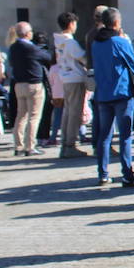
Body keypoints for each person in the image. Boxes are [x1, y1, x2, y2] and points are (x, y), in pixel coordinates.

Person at [90, 7, 134, 188]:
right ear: (117, 23)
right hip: (121, 92)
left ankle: (103, 173)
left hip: (103, 93)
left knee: (104, 136)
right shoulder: (119, 42)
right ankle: (127, 173)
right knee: (125, 135)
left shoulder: (95, 43)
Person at [7, 21, 50, 156]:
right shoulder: (31, 48)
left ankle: (18, 146)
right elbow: (47, 57)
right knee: (34, 116)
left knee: (21, 116)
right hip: (33, 84)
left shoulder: (13, 47)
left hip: (19, 84)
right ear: (27, 33)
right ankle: (30, 146)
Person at [53, 12, 89, 158]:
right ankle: (71, 144)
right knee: (75, 113)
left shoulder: (59, 41)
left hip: (65, 78)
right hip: (75, 78)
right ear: (71, 24)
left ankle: (65, 143)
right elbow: (83, 58)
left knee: (68, 112)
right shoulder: (70, 42)